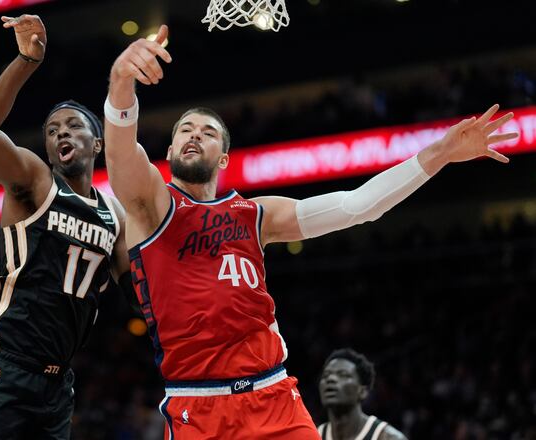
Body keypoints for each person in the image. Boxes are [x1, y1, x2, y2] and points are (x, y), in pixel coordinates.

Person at [102, 24, 518, 439]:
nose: (195, 135)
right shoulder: (153, 204)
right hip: (199, 406)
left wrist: (441, 152)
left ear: (224, 157)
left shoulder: (255, 213)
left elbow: (359, 206)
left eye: (208, 133)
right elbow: (121, 151)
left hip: (274, 398)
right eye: (185, 131)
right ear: (171, 151)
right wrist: (122, 81)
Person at [0, 15, 130, 440]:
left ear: (96, 143)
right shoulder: (35, 180)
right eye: (51, 130)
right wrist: (25, 61)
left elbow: (140, 298)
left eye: (72, 126)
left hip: (56, 383)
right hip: (1, 364)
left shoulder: (113, 214)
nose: (60, 132)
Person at [318, 349, 407, 440]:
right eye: (326, 375)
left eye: (343, 375)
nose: (330, 379)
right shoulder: (313, 436)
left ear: (362, 391)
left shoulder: (388, 437)